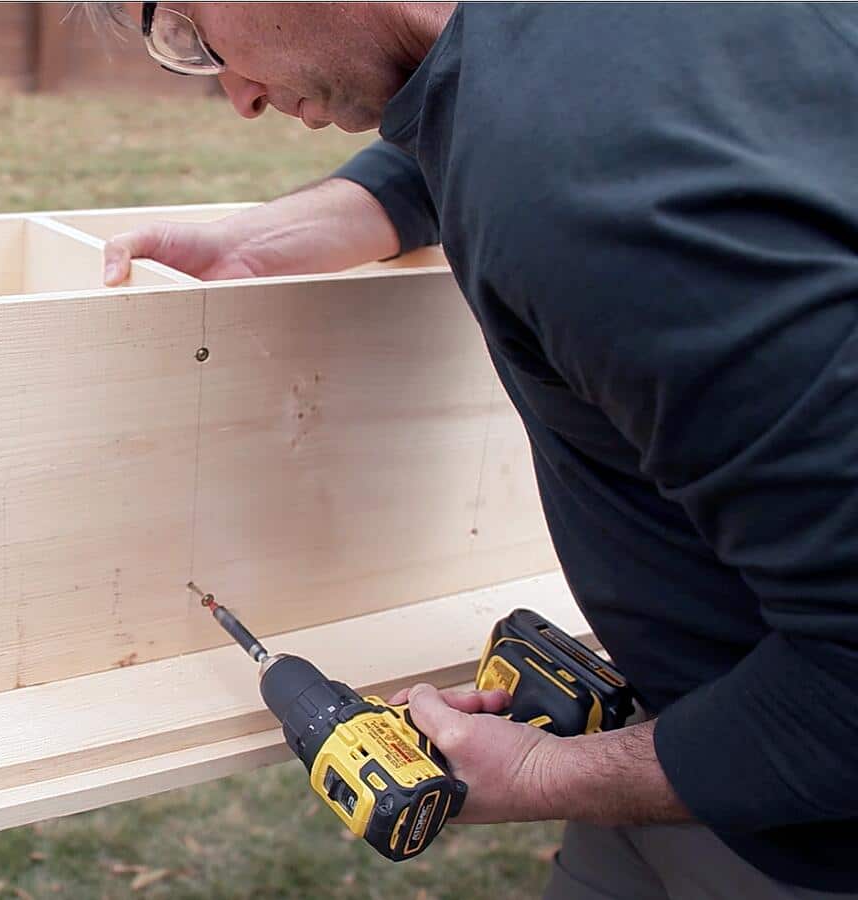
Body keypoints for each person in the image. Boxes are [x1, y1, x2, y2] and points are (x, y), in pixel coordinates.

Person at [92, 4, 858, 898]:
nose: (239, 94)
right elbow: (474, 114)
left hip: (799, 828)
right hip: (697, 751)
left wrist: (546, 777)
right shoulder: (558, 62)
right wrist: (262, 244)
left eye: (193, 27)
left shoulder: (594, 201)